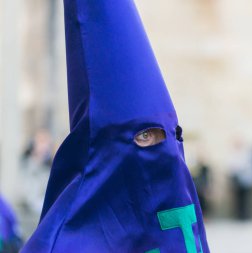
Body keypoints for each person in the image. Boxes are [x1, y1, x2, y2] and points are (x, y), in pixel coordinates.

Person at [22, 0, 209, 252]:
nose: (167, 150)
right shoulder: (59, 245)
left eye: (173, 135)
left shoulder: (181, 205)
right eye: (144, 134)